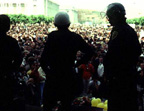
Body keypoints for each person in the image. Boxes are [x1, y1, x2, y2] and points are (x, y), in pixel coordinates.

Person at [40, 12, 94, 111]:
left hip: (53, 76)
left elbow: (43, 59)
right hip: (68, 76)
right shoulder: (75, 37)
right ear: (69, 24)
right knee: (66, 105)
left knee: (48, 105)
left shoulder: (52, 36)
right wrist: (78, 63)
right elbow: (90, 51)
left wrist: (48, 72)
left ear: (55, 24)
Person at [103, 3, 142, 111]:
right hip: (128, 77)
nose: (109, 19)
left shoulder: (119, 30)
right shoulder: (129, 30)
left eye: (110, 16)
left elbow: (112, 54)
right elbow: (137, 51)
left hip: (119, 80)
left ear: (116, 15)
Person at [0, 15, 23, 111]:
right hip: (6, 78)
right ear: (8, 26)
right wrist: (11, 69)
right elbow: (19, 58)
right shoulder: (12, 42)